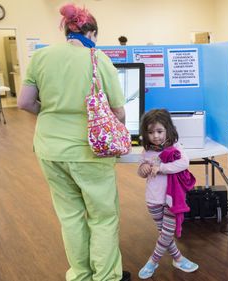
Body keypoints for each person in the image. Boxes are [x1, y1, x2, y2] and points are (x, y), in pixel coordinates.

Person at [17, 3, 131, 281]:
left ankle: (80, 274)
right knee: (103, 218)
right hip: (90, 151)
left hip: (49, 150)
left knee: (70, 216)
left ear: (66, 30)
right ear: (91, 33)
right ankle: (105, 276)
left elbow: (24, 103)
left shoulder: (41, 57)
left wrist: (51, 114)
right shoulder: (97, 58)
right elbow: (118, 111)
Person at [137, 109, 199, 279]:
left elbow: (184, 163)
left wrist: (161, 168)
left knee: (167, 233)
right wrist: (143, 169)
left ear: (168, 130)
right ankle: (178, 258)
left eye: (159, 131)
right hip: (153, 199)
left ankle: (152, 261)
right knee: (164, 234)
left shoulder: (176, 147)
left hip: (172, 199)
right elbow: (142, 173)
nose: (155, 136)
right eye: (150, 132)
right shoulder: (147, 152)